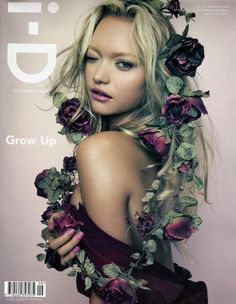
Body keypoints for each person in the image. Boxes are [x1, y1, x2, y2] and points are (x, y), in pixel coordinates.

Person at [35, 0, 210, 303]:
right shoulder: (146, 155)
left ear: (157, 76)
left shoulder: (101, 150)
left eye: (124, 63)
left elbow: (112, 294)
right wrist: (76, 249)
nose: (99, 75)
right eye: (92, 57)